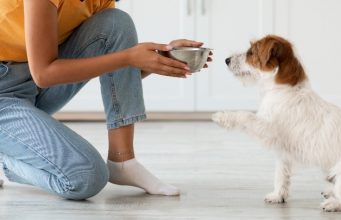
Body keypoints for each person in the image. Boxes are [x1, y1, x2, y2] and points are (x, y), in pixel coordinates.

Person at [0, 0, 211, 200]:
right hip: (7, 90)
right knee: (85, 177)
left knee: (116, 22)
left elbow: (116, 77)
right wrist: (128, 57)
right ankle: (7, 162)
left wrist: (158, 61)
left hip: (30, 82)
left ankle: (123, 160)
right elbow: (44, 74)